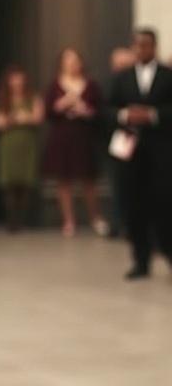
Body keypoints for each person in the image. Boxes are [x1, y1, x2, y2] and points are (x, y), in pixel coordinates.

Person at [105, 29, 172, 280]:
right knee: (134, 206)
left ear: (154, 47)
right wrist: (125, 115)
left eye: (147, 45)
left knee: (164, 204)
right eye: (138, 45)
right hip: (130, 151)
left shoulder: (168, 76)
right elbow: (109, 109)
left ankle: (168, 251)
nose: (142, 49)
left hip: (161, 152)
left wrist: (152, 115)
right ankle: (140, 260)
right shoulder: (122, 78)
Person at [41, 48, 105, 237]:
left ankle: (96, 217)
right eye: (67, 60)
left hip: (83, 136)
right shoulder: (54, 85)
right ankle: (69, 220)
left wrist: (84, 109)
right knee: (64, 180)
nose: (72, 64)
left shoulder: (91, 85)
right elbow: (47, 112)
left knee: (88, 179)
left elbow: (100, 111)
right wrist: (62, 105)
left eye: (75, 60)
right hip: (62, 136)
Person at [0, 66, 44, 232]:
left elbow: (37, 118)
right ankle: (11, 220)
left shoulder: (33, 97)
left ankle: (23, 219)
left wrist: (22, 118)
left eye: (20, 78)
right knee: (8, 181)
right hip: (8, 143)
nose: (17, 82)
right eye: (14, 78)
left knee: (25, 181)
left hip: (26, 142)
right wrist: (15, 119)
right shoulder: (2, 99)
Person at [105, 47, 137, 238]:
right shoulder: (112, 83)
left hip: (148, 139)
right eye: (118, 65)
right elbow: (106, 109)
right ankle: (119, 223)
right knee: (119, 183)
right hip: (121, 137)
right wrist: (124, 115)